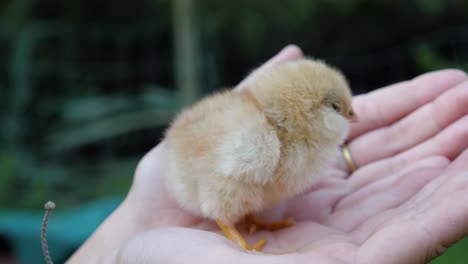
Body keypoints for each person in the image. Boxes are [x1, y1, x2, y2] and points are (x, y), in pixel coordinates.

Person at [67, 45, 468, 264]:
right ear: (311, 110)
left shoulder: (284, 131)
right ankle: (233, 226)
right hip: (198, 182)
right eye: (339, 109)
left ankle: (247, 220)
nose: (350, 117)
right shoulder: (260, 138)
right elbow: (211, 177)